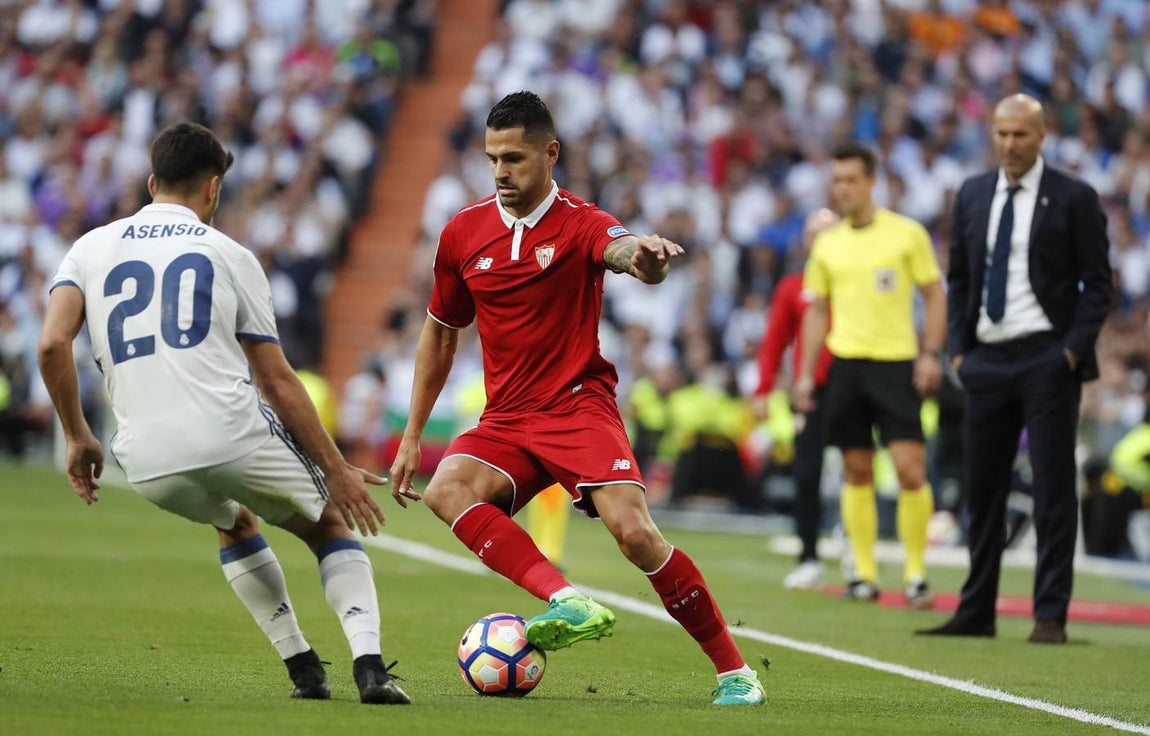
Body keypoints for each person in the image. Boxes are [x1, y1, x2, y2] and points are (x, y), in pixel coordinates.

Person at [388, 91, 765, 706]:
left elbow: (623, 252)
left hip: (575, 406)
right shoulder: (462, 233)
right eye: (493, 159)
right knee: (445, 489)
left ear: (551, 153)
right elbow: (440, 332)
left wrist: (647, 259)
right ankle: (567, 599)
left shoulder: (581, 222)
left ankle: (735, 673)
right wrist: (412, 435)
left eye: (514, 158)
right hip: (506, 417)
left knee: (635, 534)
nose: (501, 172)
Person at [37, 122, 410, 705]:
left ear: (153, 182)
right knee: (329, 522)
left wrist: (77, 435)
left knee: (234, 522)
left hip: (143, 458)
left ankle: (304, 669)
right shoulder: (229, 254)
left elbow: (51, 345)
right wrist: (336, 468)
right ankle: (370, 669)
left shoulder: (89, 247)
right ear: (213, 187)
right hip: (228, 430)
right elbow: (277, 380)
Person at [918, 95, 1112, 644]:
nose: (1009, 144)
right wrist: (960, 351)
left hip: (1047, 358)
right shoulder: (973, 193)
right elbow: (960, 279)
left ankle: (1050, 616)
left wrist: (1070, 352)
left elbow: (1099, 285)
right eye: (1001, 133)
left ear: (1042, 136)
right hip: (986, 360)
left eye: (1020, 134)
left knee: (1052, 489)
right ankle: (976, 611)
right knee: (982, 489)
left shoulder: (1074, 196)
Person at [794, 143, 946, 608]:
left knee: (909, 469)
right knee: (856, 470)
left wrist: (931, 353)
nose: (842, 189)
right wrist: (805, 374)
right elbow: (816, 311)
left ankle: (916, 573)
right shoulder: (828, 243)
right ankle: (864, 573)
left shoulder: (906, 234)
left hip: (896, 364)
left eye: (850, 180)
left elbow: (934, 295)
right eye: (836, 181)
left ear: (870, 182)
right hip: (846, 366)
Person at [753, 207, 839, 590]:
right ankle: (808, 557)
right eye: (813, 234)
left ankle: (858, 558)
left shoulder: (852, 283)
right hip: (811, 391)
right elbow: (775, 340)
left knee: (858, 472)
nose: (819, 242)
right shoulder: (793, 287)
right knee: (807, 475)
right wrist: (763, 388)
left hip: (853, 387)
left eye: (827, 233)